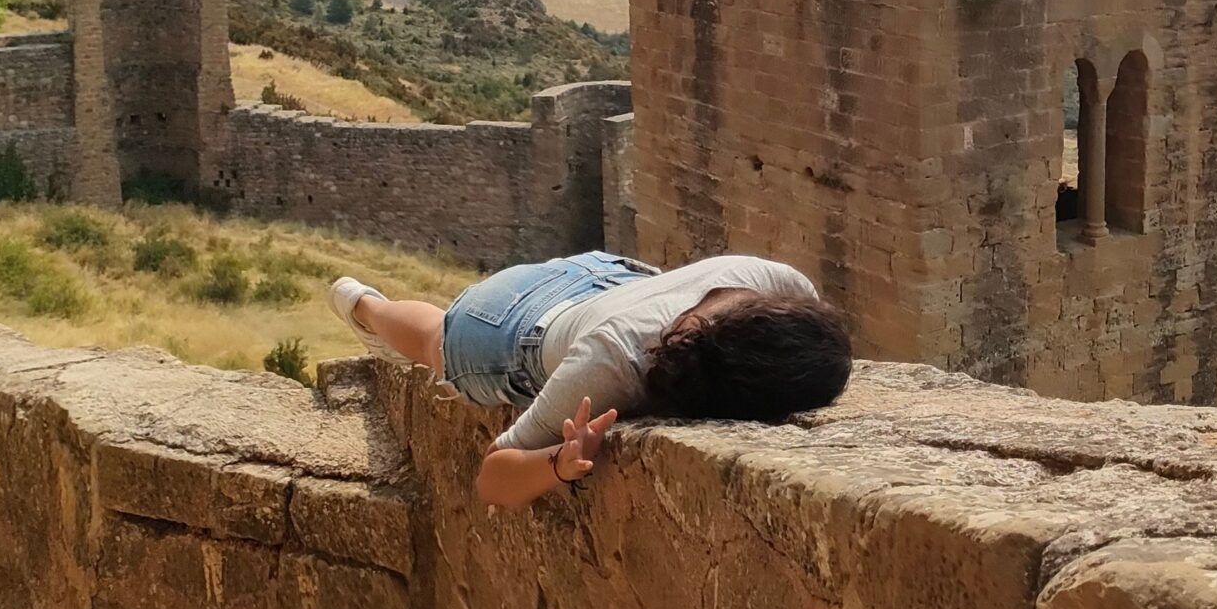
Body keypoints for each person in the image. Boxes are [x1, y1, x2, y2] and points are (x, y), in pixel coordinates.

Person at [329, 251, 851, 508]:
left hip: (608, 275)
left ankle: (371, 309)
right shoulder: (616, 364)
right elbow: (493, 477)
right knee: (436, 341)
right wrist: (558, 463)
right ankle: (367, 308)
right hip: (508, 324)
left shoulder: (782, 284)